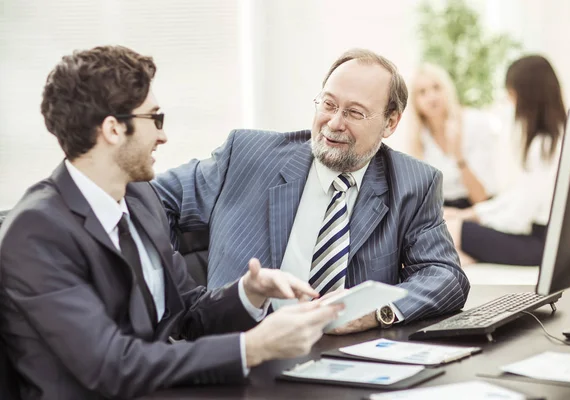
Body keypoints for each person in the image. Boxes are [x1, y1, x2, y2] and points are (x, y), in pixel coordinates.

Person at [0, 45, 343, 400]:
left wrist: (249, 292)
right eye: (155, 119)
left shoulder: (140, 198)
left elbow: (188, 312)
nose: (163, 136)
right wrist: (251, 347)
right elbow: (109, 366)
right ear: (113, 129)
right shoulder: (37, 231)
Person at [152, 49, 470, 335]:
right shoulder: (247, 154)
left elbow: (445, 276)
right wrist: (168, 283)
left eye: (355, 113)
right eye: (328, 104)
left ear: (390, 124)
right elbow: (152, 198)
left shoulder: (414, 182)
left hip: (340, 356)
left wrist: (377, 313)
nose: (334, 122)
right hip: (236, 349)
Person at [445, 55, 566, 266]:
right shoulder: (559, 137)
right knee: (457, 234)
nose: (509, 102)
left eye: (510, 94)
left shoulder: (542, 147)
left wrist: (474, 220)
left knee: (449, 229)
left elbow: (518, 219)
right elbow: (518, 196)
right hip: (551, 241)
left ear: (524, 96)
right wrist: (472, 213)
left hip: (539, 247)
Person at [399, 63, 497, 208]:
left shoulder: (474, 122)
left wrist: (458, 156)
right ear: (415, 102)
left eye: (436, 88)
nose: (431, 97)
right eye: (422, 92)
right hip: (440, 210)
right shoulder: (419, 136)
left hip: (476, 207)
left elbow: (481, 198)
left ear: (447, 90)